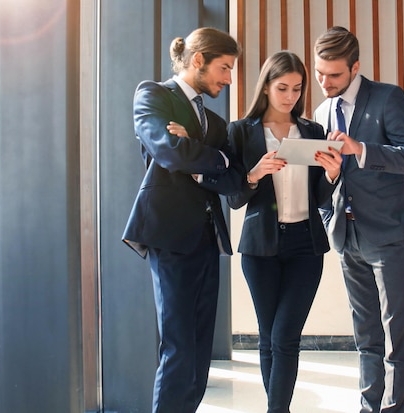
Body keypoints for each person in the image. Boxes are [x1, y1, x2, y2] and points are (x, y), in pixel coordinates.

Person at [121, 27, 243, 413]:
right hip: (170, 235)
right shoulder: (152, 94)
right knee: (177, 344)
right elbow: (168, 150)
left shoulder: (216, 124)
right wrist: (211, 157)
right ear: (198, 60)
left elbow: (235, 178)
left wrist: (203, 155)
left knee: (199, 346)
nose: (228, 79)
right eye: (224, 68)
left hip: (208, 238)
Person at [312, 26, 404, 412]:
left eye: (334, 75)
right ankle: (368, 408)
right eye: (319, 73)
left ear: (355, 67)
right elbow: (328, 178)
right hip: (347, 237)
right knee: (365, 336)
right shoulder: (321, 111)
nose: (324, 82)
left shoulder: (387, 98)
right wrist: (329, 194)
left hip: (391, 234)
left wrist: (361, 148)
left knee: (397, 335)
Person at [226, 50, 342, 413]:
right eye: (282, 88)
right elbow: (233, 199)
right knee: (268, 337)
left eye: (297, 88)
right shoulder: (241, 132)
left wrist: (333, 176)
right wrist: (253, 175)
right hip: (260, 247)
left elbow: (320, 198)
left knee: (285, 337)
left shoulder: (312, 132)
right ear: (265, 88)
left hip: (306, 246)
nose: (290, 96)